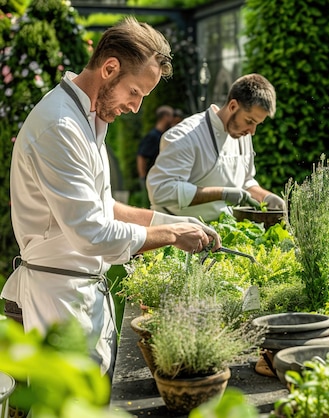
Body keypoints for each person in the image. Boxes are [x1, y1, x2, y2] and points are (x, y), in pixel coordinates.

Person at [1, 16, 221, 378]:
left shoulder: (87, 119)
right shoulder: (60, 125)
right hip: (58, 300)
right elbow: (92, 233)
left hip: (81, 293)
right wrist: (171, 237)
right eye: (135, 93)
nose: (135, 107)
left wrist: (173, 222)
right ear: (110, 68)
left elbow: (106, 208)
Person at [146, 73, 285, 221]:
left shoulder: (243, 135)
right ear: (233, 106)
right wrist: (222, 193)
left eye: (257, 124)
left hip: (223, 229)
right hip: (177, 230)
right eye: (249, 121)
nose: (252, 131)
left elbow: (245, 182)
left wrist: (266, 197)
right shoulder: (186, 136)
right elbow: (160, 191)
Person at [136, 104, 175, 188]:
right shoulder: (152, 136)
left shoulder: (164, 135)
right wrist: (143, 178)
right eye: (171, 116)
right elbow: (141, 156)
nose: (172, 119)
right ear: (165, 117)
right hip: (154, 180)